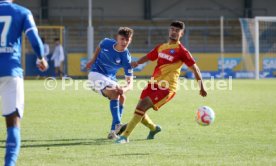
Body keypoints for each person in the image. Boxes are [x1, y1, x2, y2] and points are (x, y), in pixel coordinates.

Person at [116, 21, 207, 144]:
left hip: (167, 88)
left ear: (182, 33)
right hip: (153, 84)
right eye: (172, 29)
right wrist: (137, 63)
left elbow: (195, 69)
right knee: (140, 113)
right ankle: (154, 128)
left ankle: (125, 136)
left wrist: (201, 87)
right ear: (169, 30)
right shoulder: (161, 47)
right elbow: (149, 57)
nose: (174, 32)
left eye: (177, 30)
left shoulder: (182, 51)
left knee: (140, 108)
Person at [0, 0, 48, 165]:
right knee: (13, 123)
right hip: (10, 71)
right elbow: (34, 40)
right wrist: (41, 58)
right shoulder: (22, 12)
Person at [86, 27, 134, 139]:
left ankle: (113, 132)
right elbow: (99, 46)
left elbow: (130, 83)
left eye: (127, 39)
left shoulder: (126, 58)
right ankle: (118, 124)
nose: (124, 42)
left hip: (109, 79)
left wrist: (125, 89)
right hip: (95, 74)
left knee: (122, 97)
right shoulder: (107, 42)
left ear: (130, 40)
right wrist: (93, 60)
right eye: (122, 39)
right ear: (117, 38)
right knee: (115, 93)